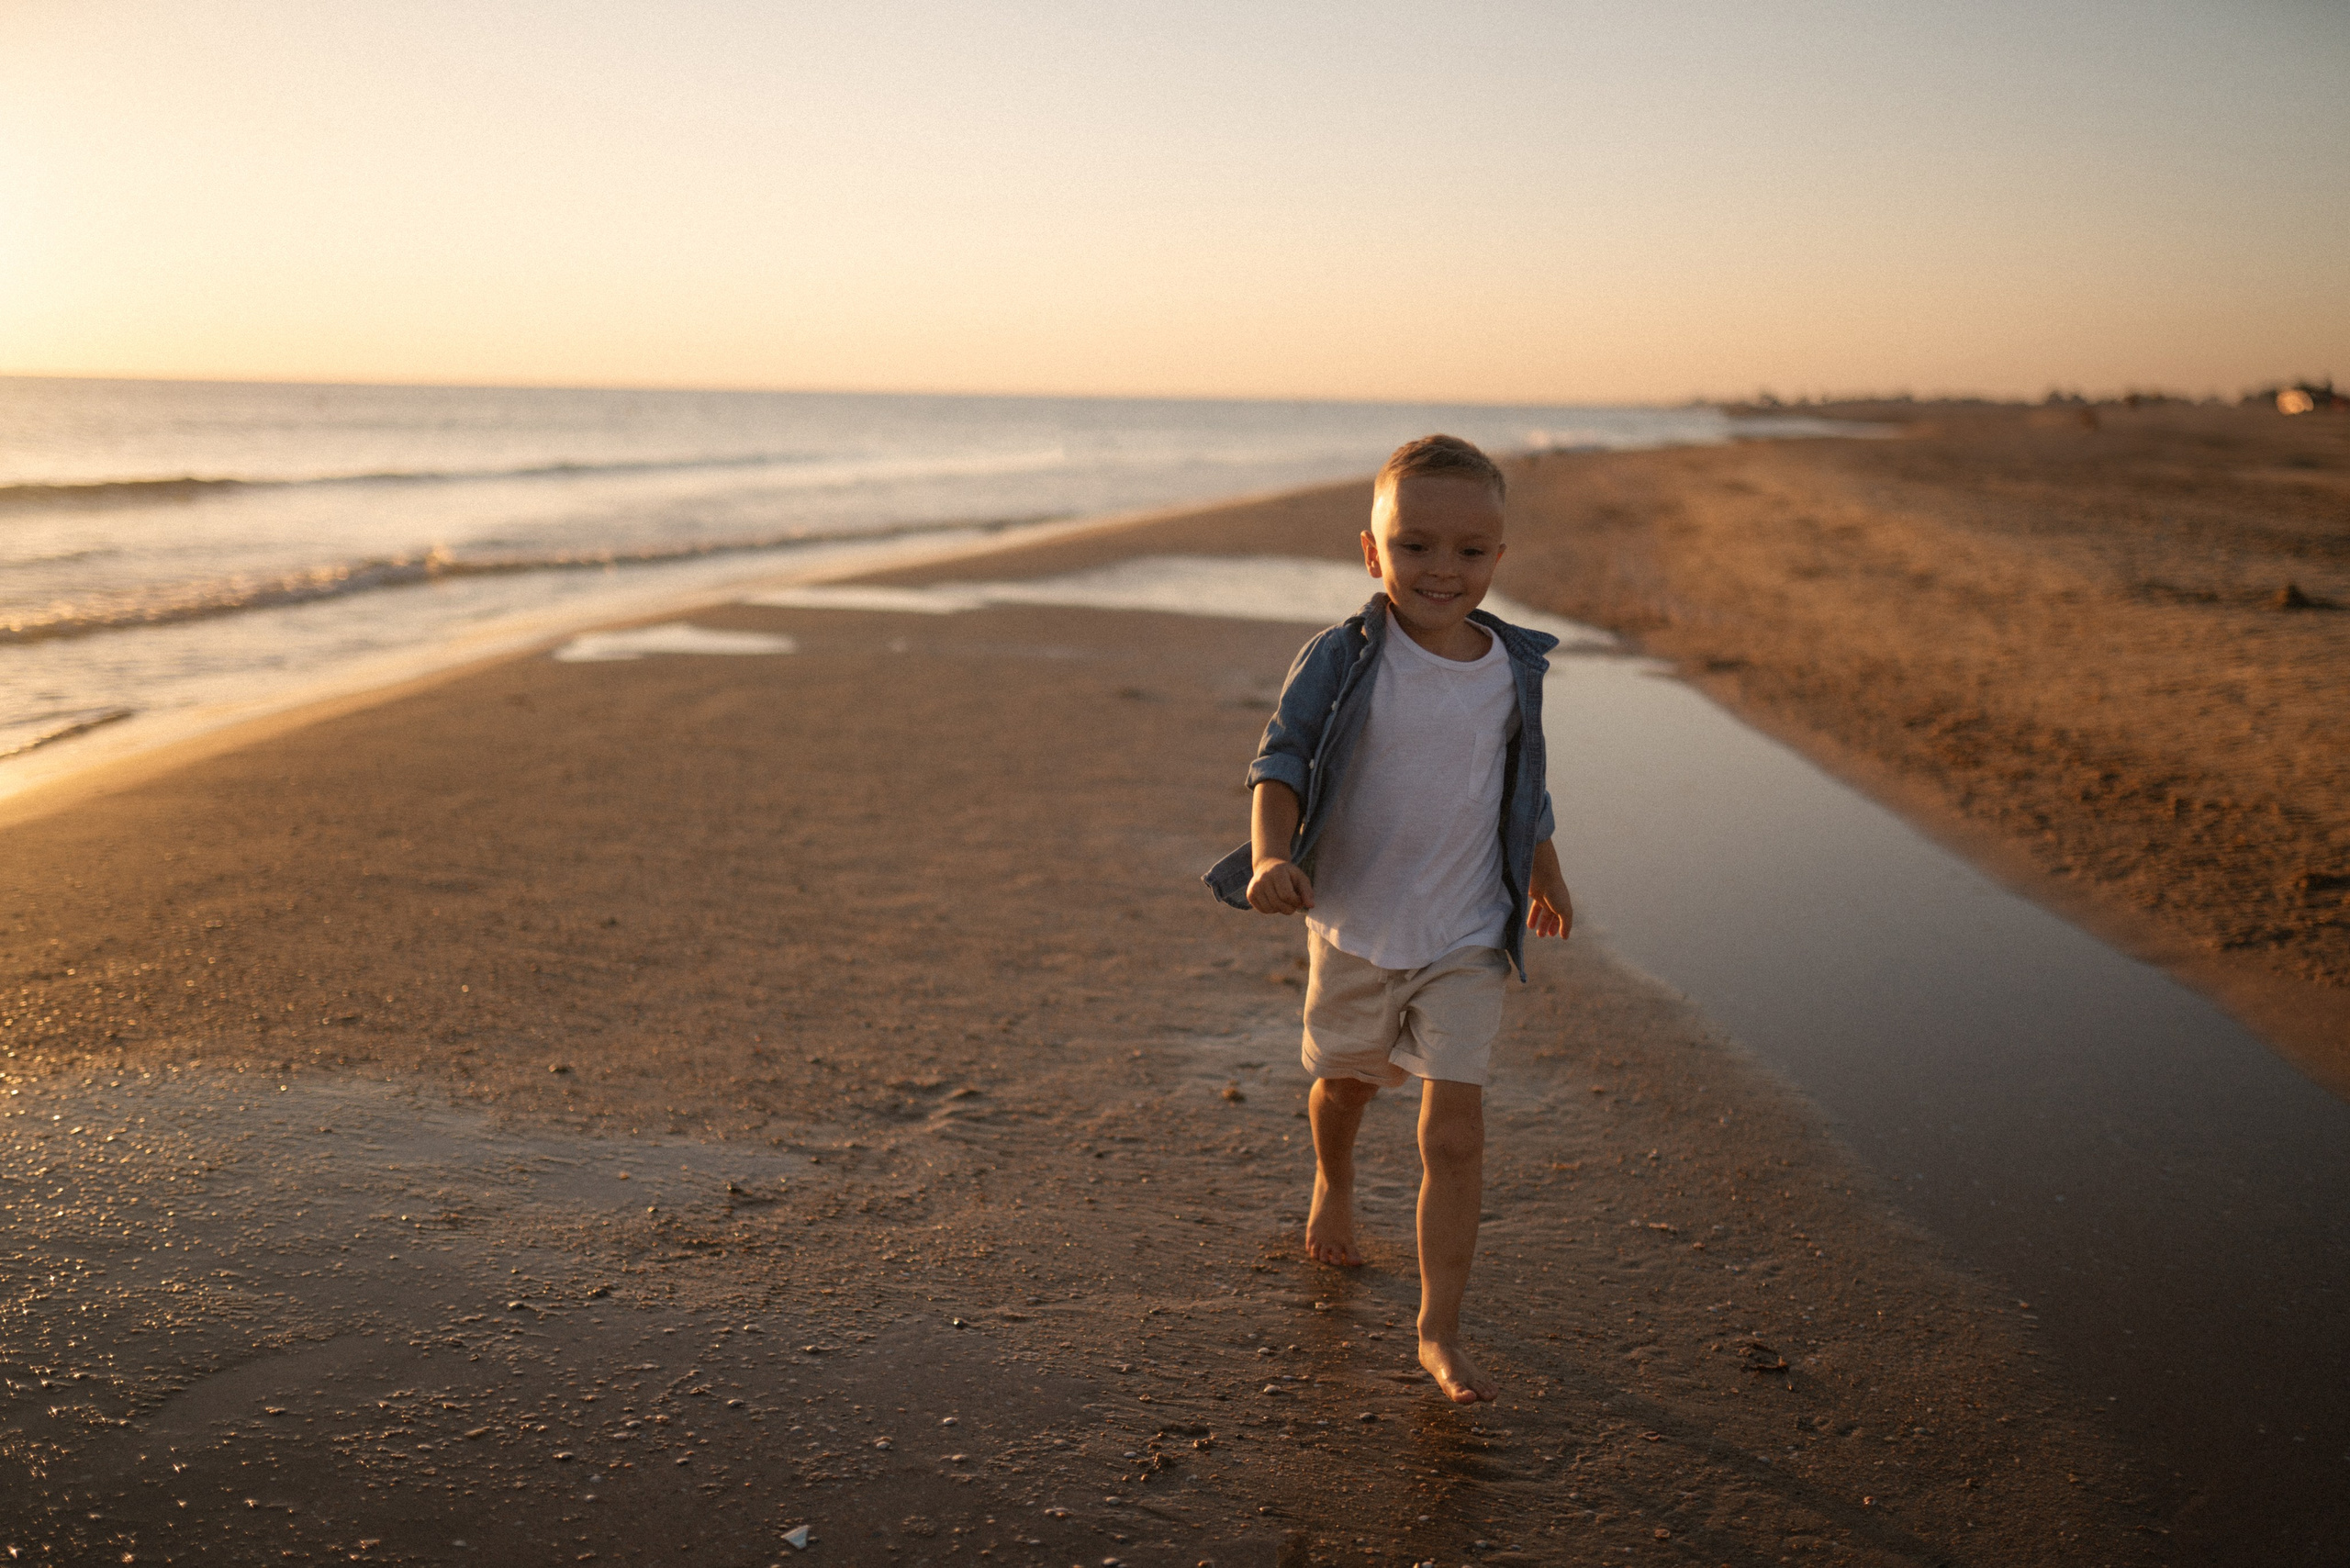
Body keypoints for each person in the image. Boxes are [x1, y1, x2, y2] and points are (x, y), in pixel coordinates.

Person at [1203, 433, 1573, 1405]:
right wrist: (1274, 856)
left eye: (1468, 551)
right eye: (1415, 546)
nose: (1440, 570)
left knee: (1453, 1134)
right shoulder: (1343, 657)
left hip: (1467, 931)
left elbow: (1520, 788)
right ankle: (1331, 1178)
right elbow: (1279, 762)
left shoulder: (1511, 668)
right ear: (1372, 553)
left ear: (1498, 557)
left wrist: (1546, 871)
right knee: (1347, 1084)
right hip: (1357, 925)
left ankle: (1435, 1331)